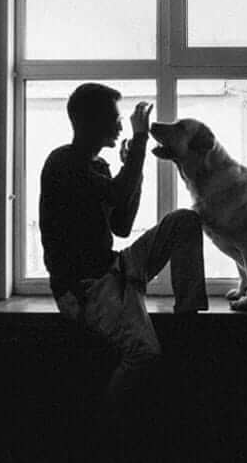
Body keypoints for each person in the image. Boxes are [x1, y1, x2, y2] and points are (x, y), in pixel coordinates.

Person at [39, 82, 208, 408]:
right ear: (91, 122)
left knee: (185, 221)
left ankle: (188, 322)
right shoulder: (62, 164)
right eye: (114, 119)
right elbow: (117, 194)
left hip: (115, 267)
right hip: (86, 289)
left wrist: (135, 167)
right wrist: (141, 143)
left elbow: (122, 226)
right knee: (144, 354)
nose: (120, 125)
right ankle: (105, 438)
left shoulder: (97, 167)